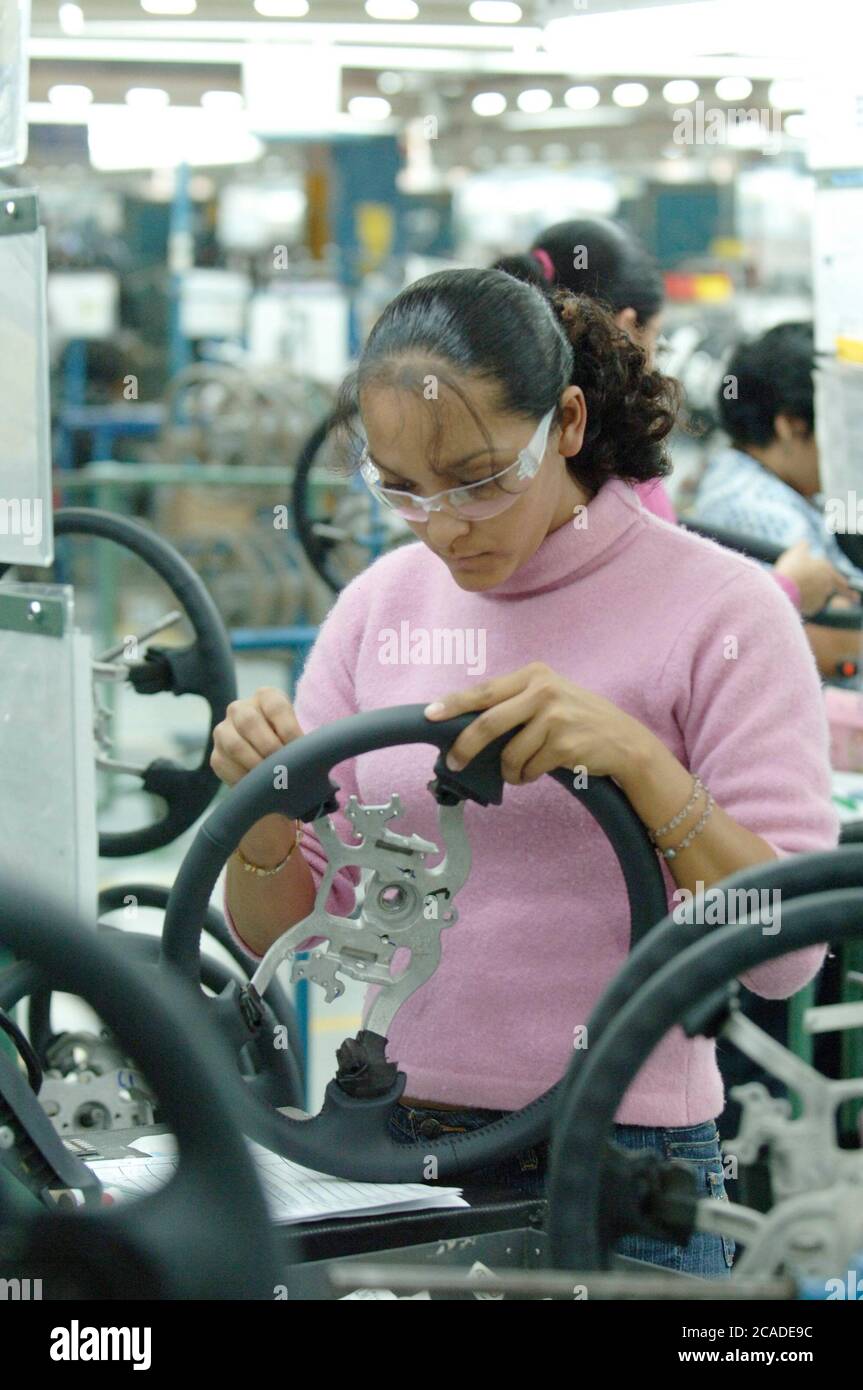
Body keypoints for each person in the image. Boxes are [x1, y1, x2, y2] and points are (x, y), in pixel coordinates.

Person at [212, 267, 838, 1278]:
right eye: (401, 487)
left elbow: (777, 955)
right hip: (395, 1141)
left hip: (621, 1158)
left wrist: (639, 766)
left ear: (569, 422)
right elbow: (281, 925)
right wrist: (260, 820)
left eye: (480, 476)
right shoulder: (381, 605)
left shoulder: (723, 612)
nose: (446, 523)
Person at [497, 218, 854, 626]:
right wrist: (786, 590)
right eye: (658, 340)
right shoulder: (613, 469)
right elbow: (656, 628)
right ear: (627, 329)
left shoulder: (528, 448)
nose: (656, 362)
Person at [691, 322, 862, 677]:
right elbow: (830, 646)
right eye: (842, 426)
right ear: (791, 426)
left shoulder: (772, 483)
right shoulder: (755, 512)